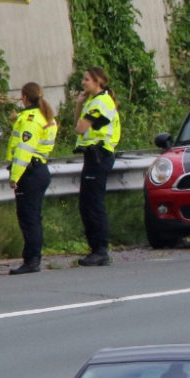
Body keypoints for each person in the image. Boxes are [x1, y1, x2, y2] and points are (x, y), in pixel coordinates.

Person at [6, 83, 58, 275]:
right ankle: (33, 259)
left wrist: (14, 176)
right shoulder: (45, 115)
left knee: (29, 218)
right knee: (33, 216)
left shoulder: (31, 118)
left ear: (24, 97)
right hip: (40, 169)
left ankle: (31, 261)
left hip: (30, 172)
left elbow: (24, 151)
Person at [74, 66, 121, 267]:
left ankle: (100, 250)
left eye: (86, 79)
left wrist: (82, 108)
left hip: (99, 155)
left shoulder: (101, 102)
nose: (83, 83)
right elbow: (79, 125)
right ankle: (96, 249)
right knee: (87, 204)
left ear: (98, 82)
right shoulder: (93, 101)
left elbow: (80, 127)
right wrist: (78, 103)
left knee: (93, 204)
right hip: (93, 156)